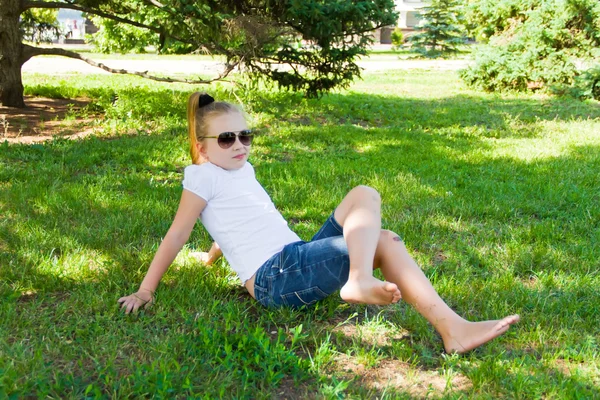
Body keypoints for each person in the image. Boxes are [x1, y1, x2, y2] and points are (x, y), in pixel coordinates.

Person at [118, 92, 520, 354]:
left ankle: (445, 325)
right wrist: (145, 290)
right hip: (276, 276)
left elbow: (235, 222)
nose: (239, 144)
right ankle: (416, 309)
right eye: (226, 139)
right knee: (384, 239)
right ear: (202, 147)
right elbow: (178, 232)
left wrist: (211, 257)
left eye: (245, 135)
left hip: (294, 258)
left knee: (365, 195)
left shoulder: (242, 168)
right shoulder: (202, 176)